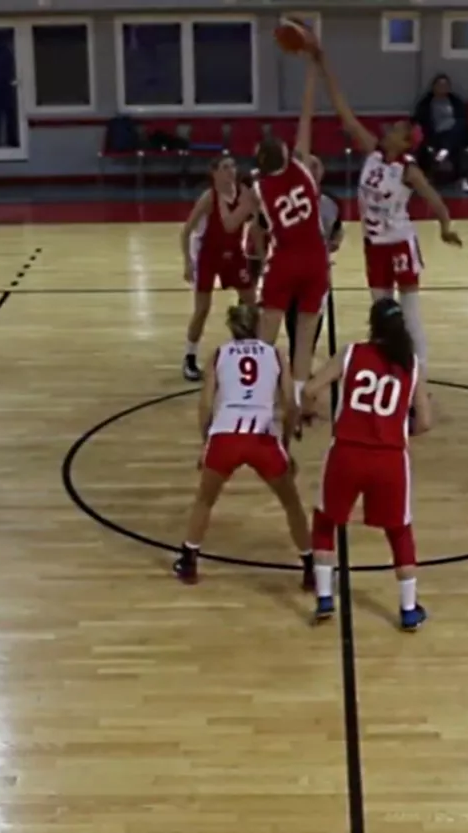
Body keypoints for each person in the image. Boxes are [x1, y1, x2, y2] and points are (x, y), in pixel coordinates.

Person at [317, 47, 462, 382]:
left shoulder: (407, 170)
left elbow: (436, 200)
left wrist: (445, 227)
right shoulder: (373, 151)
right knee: (381, 313)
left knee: (409, 314)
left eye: (396, 128)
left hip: (399, 244)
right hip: (374, 245)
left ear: (406, 142)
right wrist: (324, 68)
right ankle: (387, 369)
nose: (388, 129)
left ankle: (418, 378)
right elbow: (345, 114)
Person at [302, 298, 432, 632]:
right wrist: (400, 431)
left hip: (346, 452)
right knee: (399, 531)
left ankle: (326, 598)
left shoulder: (351, 353)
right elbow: (425, 422)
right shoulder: (411, 364)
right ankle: (407, 609)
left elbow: (312, 388)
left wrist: (308, 412)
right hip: (389, 457)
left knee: (325, 521)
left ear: (372, 325)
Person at [173, 304, 314, 587]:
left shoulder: (219, 354)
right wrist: (285, 444)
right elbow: (289, 405)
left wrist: (206, 442)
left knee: (205, 500)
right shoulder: (275, 354)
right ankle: (310, 566)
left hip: (226, 433)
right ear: (259, 326)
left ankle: (189, 559)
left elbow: (205, 405)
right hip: (262, 436)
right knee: (291, 503)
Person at [250, 52, 329, 410]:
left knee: (266, 335)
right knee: (304, 337)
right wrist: (312, 70)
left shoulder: (259, 190)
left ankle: (257, 396)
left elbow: (250, 228)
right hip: (315, 260)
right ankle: (297, 400)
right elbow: (306, 113)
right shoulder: (303, 167)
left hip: (283, 260)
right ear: (285, 154)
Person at [180, 156, 258, 381]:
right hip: (209, 256)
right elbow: (186, 232)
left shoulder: (244, 193)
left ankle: (250, 350)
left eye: (233, 166)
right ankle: (190, 357)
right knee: (202, 309)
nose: (231, 171)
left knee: (251, 304)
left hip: (235, 254)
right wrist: (187, 262)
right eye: (225, 167)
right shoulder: (208, 197)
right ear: (214, 173)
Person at [283, 155, 343, 370]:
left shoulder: (331, 202)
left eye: (317, 165)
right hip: (292, 265)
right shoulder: (289, 199)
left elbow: (337, 232)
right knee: (292, 315)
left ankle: (303, 359)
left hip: (318, 268)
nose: (314, 170)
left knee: (314, 316)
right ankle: (295, 357)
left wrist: (333, 244)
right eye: (310, 166)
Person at [412, 73, 468, 184]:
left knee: (456, 135)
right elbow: (420, 120)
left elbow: (462, 118)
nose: (443, 88)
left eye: (445, 85)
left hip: (453, 133)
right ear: (434, 86)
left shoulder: (455, 101)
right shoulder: (426, 102)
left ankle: (445, 152)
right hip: (434, 134)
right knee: (431, 146)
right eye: (440, 85)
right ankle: (445, 151)